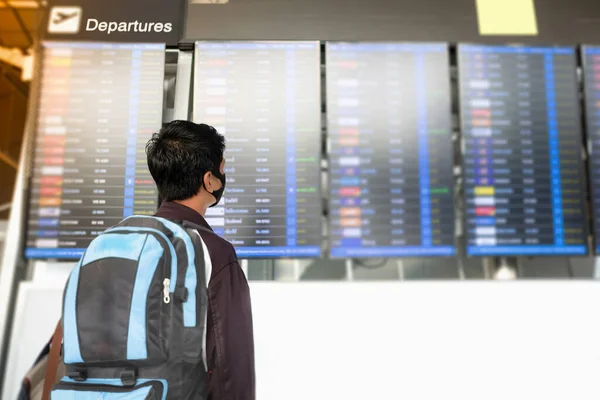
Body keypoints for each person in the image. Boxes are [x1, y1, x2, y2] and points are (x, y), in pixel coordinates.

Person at [146, 120, 256, 399]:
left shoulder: (112, 243)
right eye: (222, 169)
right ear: (209, 180)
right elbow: (230, 363)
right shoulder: (214, 252)